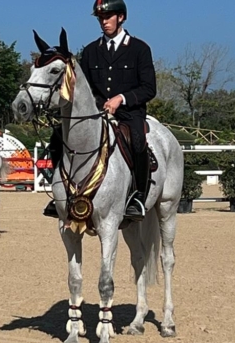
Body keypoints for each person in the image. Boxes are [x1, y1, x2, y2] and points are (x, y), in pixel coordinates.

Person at [42, 0, 157, 221]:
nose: (104, 22)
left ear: (121, 17)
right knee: (57, 137)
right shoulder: (91, 50)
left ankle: (137, 198)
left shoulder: (139, 49)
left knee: (138, 140)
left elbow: (148, 88)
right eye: (101, 18)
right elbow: (85, 89)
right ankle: (58, 196)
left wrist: (120, 99)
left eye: (108, 17)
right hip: (96, 113)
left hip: (129, 112)